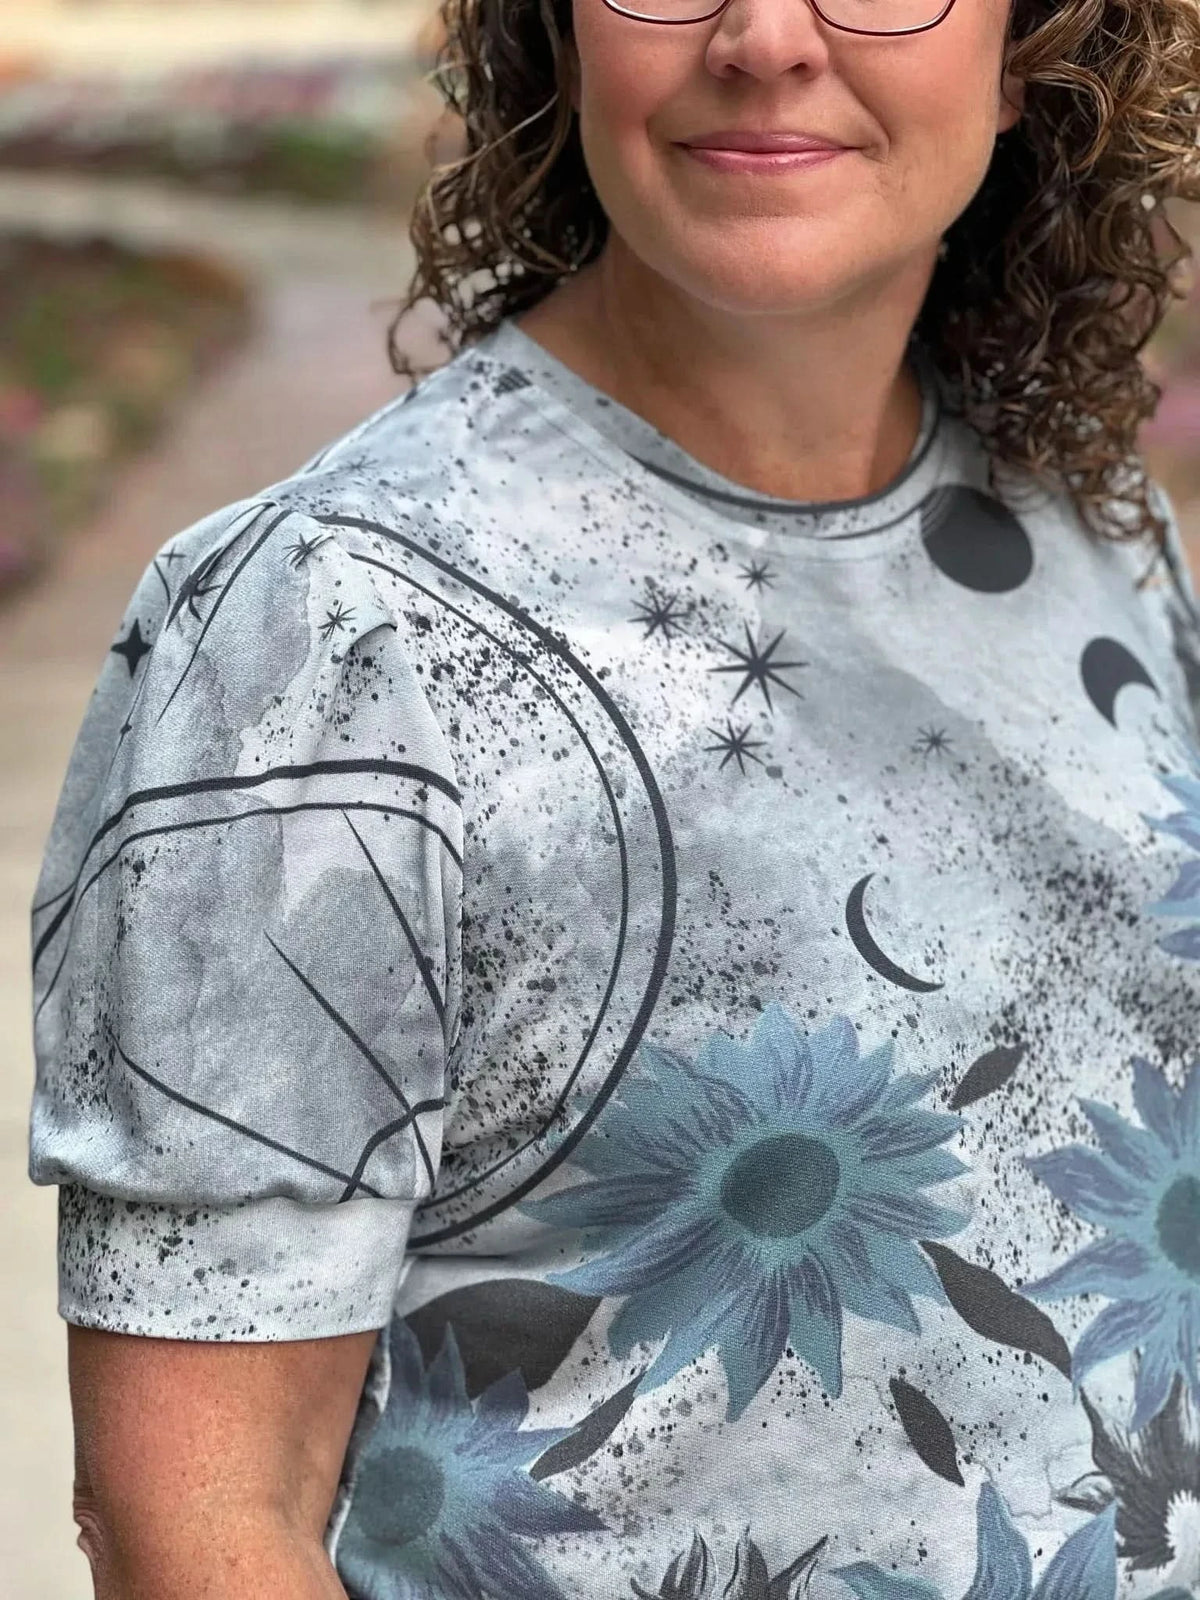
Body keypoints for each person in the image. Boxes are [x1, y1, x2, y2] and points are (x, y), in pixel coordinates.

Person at [26, 0, 1200, 1591]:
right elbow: (201, 1517)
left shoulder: (1100, 535)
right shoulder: (322, 633)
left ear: (1031, 54)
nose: (768, 36)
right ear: (555, 41)